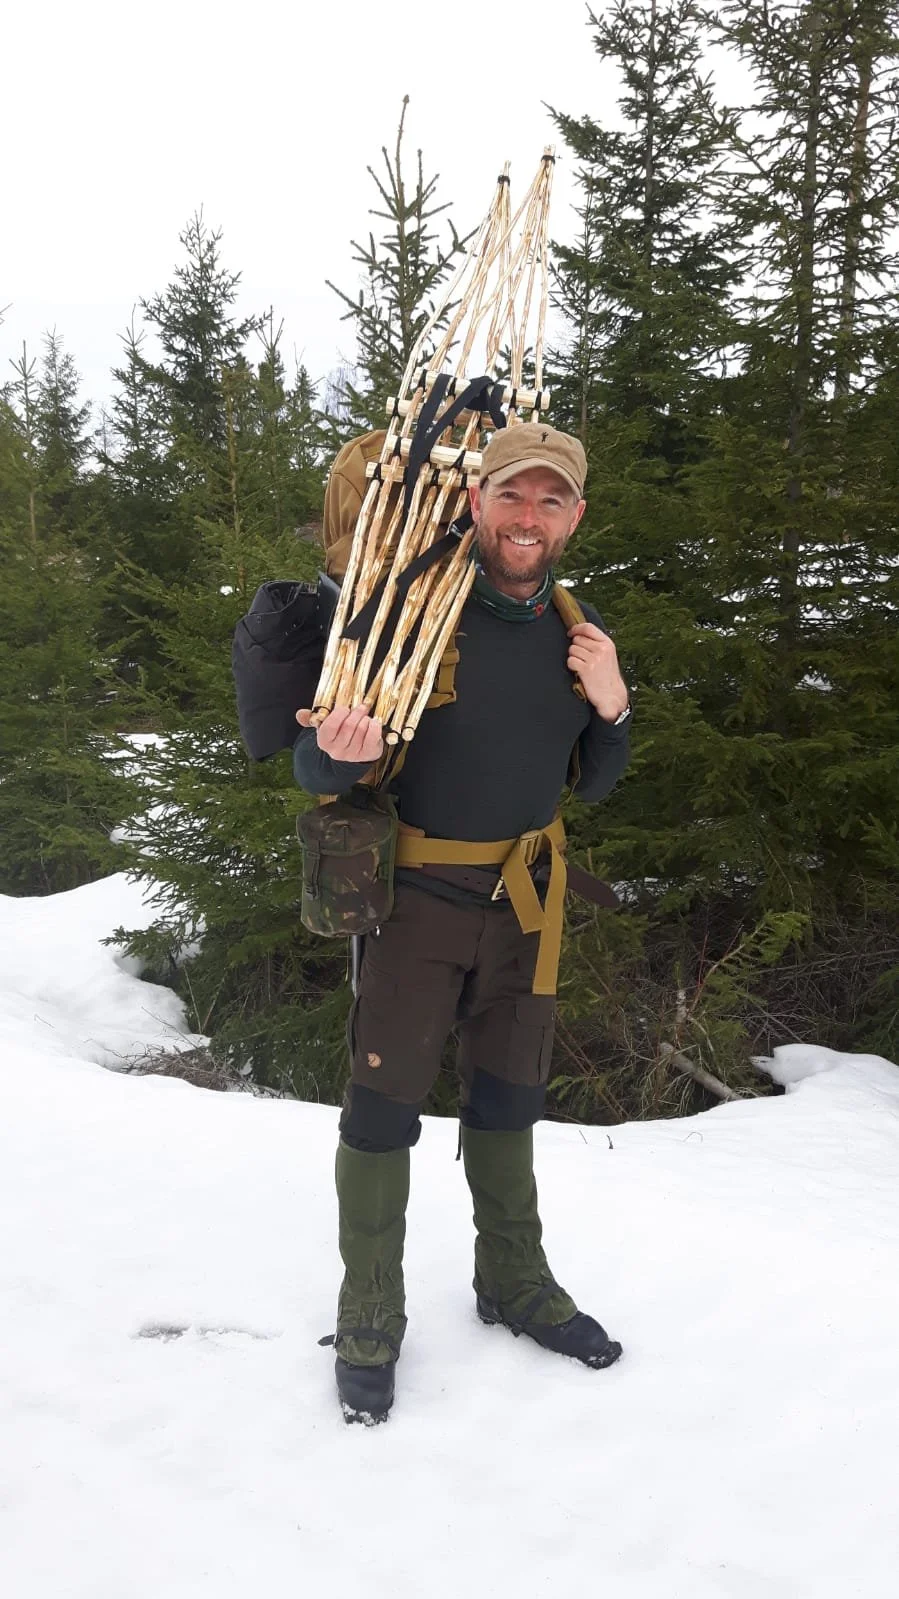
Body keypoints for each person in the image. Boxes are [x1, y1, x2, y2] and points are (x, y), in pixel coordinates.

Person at [294, 422, 631, 1424]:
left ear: (573, 516)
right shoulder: (411, 617)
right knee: (381, 1108)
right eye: (510, 496)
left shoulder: (579, 630)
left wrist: (612, 708)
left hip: (527, 903)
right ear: (475, 504)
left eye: (549, 500)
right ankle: (369, 1306)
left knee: (509, 1096)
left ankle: (512, 1281)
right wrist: (342, 752)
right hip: (416, 903)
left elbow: (591, 782)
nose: (528, 518)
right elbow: (313, 766)